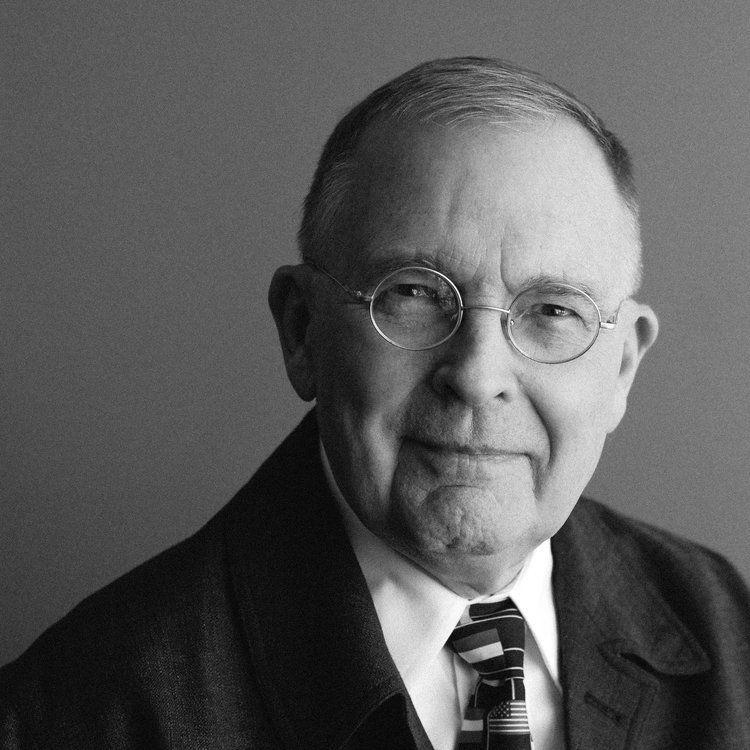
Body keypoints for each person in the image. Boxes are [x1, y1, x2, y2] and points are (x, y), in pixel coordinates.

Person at [2, 57, 749, 750]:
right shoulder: (81, 712)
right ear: (302, 330)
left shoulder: (729, 633)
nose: (477, 374)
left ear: (622, 367)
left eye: (552, 310)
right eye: (417, 295)